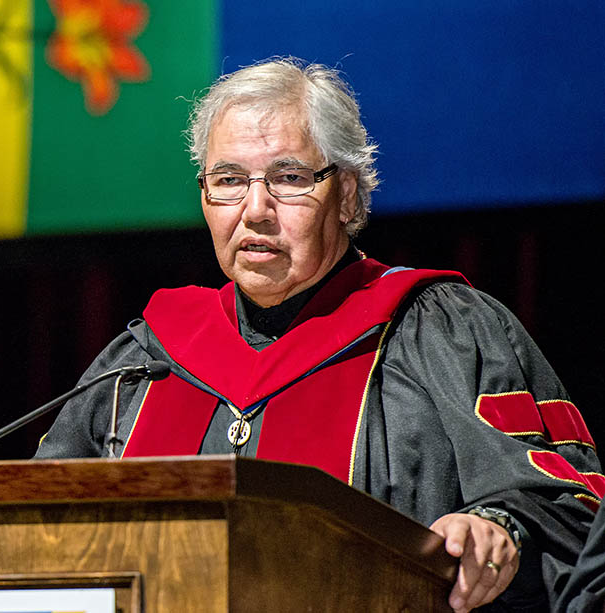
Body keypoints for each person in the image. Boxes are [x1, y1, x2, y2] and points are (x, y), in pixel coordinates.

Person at [35, 57, 602, 612]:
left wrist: (494, 531)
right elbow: (32, 525)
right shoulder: (145, 361)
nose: (255, 210)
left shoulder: (441, 331)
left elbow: (567, 506)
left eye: (288, 178)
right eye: (228, 180)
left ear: (348, 194)